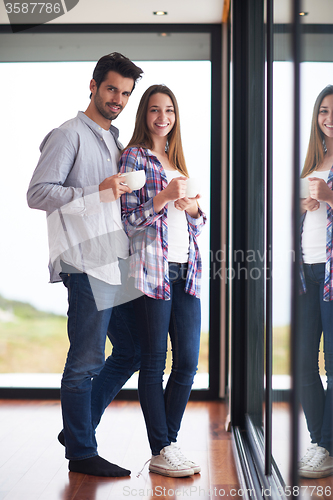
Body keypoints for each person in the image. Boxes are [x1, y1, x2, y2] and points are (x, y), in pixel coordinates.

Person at [27, 53, 143, 477]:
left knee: (131, 349)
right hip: (85, 261)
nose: (118, 99)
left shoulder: (114, 141)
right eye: (112, 89)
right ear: (92, 86)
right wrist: (97, 191)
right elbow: (38, 193)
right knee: (86, 361)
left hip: (116, 260)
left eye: (126, 93)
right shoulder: (68, 134)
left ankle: (77, 428)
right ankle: (81, 452)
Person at [119, 84, 207, 477]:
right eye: (154, 109)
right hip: (153, 271)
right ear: (145, 115)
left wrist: (192, 208)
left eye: (168, 110)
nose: (162, 117)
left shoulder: (177, 159)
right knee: (154, 362)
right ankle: (164, 447)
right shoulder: (133, 157)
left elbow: (198, 225)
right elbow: (129, 220)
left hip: (187, 269)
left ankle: (165, 445)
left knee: (187, 362)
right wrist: (164, 197)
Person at [298, 84, 333, 478]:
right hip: (306, 268)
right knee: (305, 362)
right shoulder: (314, 159)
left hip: (331, 269)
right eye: (323, 111)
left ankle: (326, 446)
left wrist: (329, 194)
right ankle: (320, 441)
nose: (328, 119)